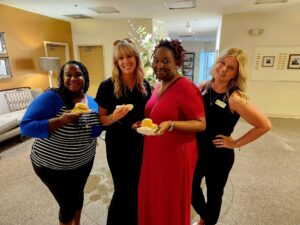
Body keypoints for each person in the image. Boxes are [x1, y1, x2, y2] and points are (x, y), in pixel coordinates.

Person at [191, 48, 272, 225]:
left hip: (219, 153)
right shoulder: (204, 86)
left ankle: (207, 221)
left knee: (214, 193)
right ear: (216, 62)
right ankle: (206, 217)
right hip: (197, 150)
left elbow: (264, 125)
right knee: (190, 187)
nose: (223, 69)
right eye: (222, 63)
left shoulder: (235, 97)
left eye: (231, 68)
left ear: (236, 74)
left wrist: (235, 143)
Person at [20, 60, 102, 225]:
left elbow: (95, 131)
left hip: (84, 163)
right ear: (62, 78)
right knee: (67, 205)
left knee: (78, 195)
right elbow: (26, 127)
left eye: (78, 74)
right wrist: (60, 121)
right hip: (51, 166)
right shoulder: (52, 98)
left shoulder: (91, 102)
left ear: (85, 78)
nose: (73, 78)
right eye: (68, 75)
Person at [138, 39, 206, 225]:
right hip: (154, 149)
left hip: (176, 154)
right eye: (156, 60)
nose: (160, 64)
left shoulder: (187, 88)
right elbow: (155, 114)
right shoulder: (159, 85)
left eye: (166, 61)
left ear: (177, 62)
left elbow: (201, 124)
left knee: (170, 197)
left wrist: (172, 124)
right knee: (154, 194)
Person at [95, 38, 151, 225]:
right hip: (117, 145)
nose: (125, 61)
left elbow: (147, 114)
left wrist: (143, 123)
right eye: (121, 58)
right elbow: (101, 119)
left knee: (137, 187)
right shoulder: (107, 86)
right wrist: (115, 117)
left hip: (141, 144)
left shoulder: (145, 85)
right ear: (116, 62)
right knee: (122, 189)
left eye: (129, 56)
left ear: (136, 58)